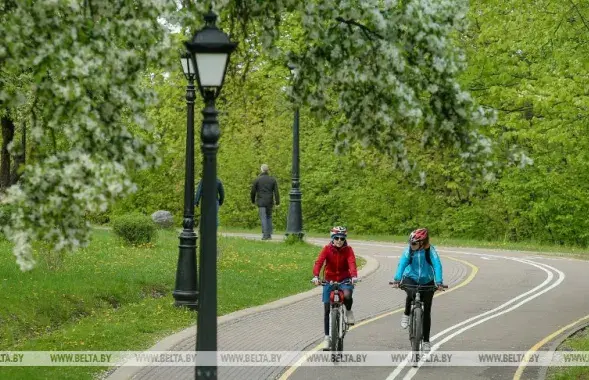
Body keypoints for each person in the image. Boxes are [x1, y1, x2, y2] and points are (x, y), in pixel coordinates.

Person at [390, 228, 444, 352]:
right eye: (410, 242)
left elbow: (437, 265)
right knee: (411, 291)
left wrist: (439, 282)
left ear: (422, 243)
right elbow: (402, 263)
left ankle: (426, 341)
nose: (411, 245)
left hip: (427, 280)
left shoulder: (430, 251)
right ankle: (406, 313)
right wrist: (397, 279)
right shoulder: (409, 250)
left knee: (427, 310)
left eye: (414, 243)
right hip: (411, 277)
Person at [312, 226, 359, 350]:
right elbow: (319, 262)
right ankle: (327, 338)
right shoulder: (327, 249)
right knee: (327, 309)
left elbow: (352, 262)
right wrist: (316, 276)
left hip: (344, 279)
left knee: (348, 295)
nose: (339, 240)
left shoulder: (348, 250)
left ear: (345, 239)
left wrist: (354, 276)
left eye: (342, 238)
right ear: (332, 238)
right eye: (336, 238)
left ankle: (348, 311)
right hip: (329, 280)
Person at [250, 164, 280, 240]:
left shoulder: (257, 179)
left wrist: (253, 201)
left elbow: (253, 191)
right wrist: (277, 202)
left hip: (261, 201)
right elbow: (276, 192)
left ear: (261, 170)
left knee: (263, 217)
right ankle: (269, 234)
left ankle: (265, 235)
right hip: (270, 201)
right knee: (269, 217)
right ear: (268, 170)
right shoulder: (272, 179)